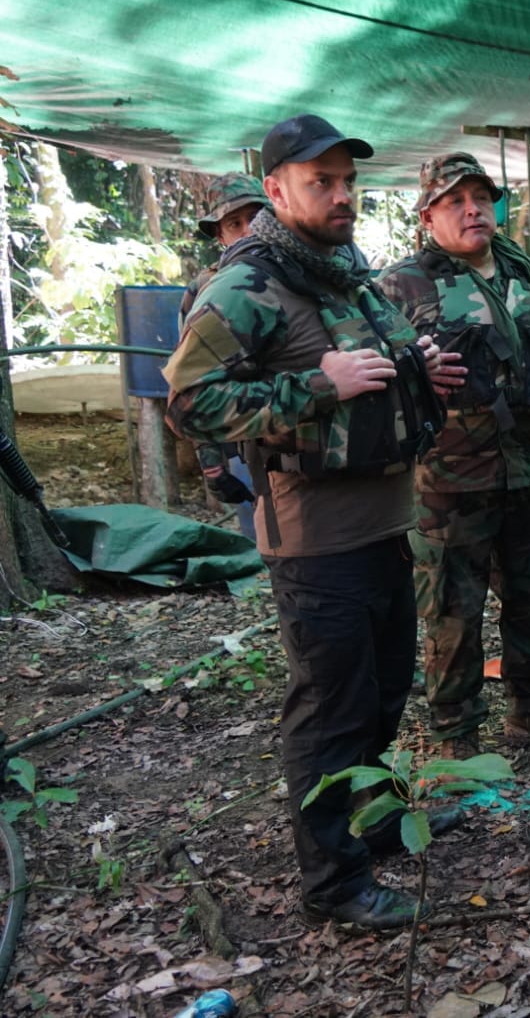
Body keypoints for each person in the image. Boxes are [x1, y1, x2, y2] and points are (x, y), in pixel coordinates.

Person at [162, 114, 463, 931]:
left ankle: (369, 824)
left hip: (383, 523)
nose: (341, 196)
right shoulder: (249, 286)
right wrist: (317, 386)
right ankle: (334, 881)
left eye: (347, 180)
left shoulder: (345, 274)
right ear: (275, 190)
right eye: (320, 181)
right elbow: (190, 402)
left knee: (384, 690)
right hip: (314, 539)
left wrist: (416, 367)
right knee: (329, 709)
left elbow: (374, 362)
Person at [376, 153, 530, 763]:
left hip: (526, 466)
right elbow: (376, 381)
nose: (473, 210)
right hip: (448, 477)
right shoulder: (399, 286)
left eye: (481, 198)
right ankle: (456, 737)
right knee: (452, 609)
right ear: (427, 216)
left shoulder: (525, 270)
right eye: (455, 201)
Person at [179, 173, 271, 538]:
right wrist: (213, 465)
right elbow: (193, 386)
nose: (249, 230)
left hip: (309, 441)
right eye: (235, 223)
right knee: (264, 542)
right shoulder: (207, 291)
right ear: (220, 236)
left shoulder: (302, 276)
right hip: (246, 438)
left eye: (257, 218)